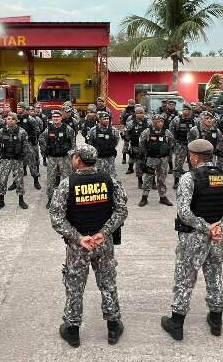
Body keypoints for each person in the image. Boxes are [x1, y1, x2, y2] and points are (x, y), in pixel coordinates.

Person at [161, 139, 223, 340]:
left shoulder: (189, 178)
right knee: (215, 274)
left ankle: (177, 324)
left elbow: (184, 212)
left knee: (185, 277)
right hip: (217, 237)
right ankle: (216, 321)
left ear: (194, 157)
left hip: (193, 236)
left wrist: (206, 227)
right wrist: (219, 226)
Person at [49, 145, 128, 348]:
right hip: (103, 243)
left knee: (75, 287)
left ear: (78, 160)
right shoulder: (110, 180)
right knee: (108, 283)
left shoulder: (67, 184)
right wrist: (104, 232)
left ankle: (73, 331)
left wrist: (78, 238)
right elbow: (121, 211)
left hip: (78, 246)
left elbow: (56, 218)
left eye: (74, 157)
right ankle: (113, 327)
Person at [40, 110, 76, 209]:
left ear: (61, 118)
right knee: (50, 179)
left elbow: (73, 143)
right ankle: (50, 199)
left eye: (58, 117)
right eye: (54, 117)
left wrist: (71, 156)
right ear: (52, 118)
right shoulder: (48, 129)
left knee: (66, 179)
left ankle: (67, 199)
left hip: (64, 158)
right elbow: (41, 139)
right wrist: (45, 152)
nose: (55, 118)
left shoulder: (67, 129)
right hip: (52, 158)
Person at [0, 113, 29, 210]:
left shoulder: (22, 132)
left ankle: (21, 200)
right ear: (6, 120)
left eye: (13, 119)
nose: (10, 120)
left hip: (17, 160)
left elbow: (26, 146)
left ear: (16, 120)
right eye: (8, 119)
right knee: (2, 180)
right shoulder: (1, 131)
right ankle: (1, 201)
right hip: (5, 159)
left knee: (19, 180)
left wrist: (23, 157)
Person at [138, 113, 174, 207]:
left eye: (162, 121)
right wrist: (146, 153)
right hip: (151, 158)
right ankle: (144, 197)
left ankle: (162, 197)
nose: (160, 123)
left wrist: (165, 152)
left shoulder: (167, 132)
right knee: (148, 177)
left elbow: (171, 143)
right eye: (158, 121)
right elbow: (141, 143)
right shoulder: (147, 132)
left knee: (162, 178)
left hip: (163, 159)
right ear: (153, 122)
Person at [169, 103, 196, 189]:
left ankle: (192, 181)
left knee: (193, 164)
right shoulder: (176, 119)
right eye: (184, 109)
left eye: (187, 109)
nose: (185, 111)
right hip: (180, 144)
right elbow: (171, 130)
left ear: (190, 111)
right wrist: (173, 143)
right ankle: (176, 181)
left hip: (191, 145)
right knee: (178, 164)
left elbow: (198, 131)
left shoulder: (194, 120)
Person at [87, 111, 120, 178]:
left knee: (111, 175)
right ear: (99, 119)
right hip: (99, 157)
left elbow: (116, 141)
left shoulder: (113, 130)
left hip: (110, 156)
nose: (106, 120)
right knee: (98, 174)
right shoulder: (93, 130)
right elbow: (90, 142)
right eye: (104, 119)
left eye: (107, 119)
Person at [17, 104, 42, 190]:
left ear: (24, 109)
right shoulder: (16, 118)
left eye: (20, 107)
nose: (18, 109)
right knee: (17, 163)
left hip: (28, 143)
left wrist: (34, 140)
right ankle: (15, 182)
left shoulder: (31, 119)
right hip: (18, 143)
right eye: (17, 107)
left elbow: (37, 130)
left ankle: (36, 180)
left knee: (32, 162)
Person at [125, 105, 150, 187]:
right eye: (138, 113)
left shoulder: (149, 122)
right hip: (136, 147)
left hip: (148, 148)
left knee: (150, 165)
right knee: (138, 165)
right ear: (135, 114)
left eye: (141, 113)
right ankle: (140, 180)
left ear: (144, 113)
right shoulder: (130, 123)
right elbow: (126, 135)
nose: (140, 115)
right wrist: (126, 147)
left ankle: (152, 181)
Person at [163, 100, 179, 174]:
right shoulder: (164, 114)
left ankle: (178, 167)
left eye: (173, 105)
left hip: (176, 135)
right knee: (169, 151)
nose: (171, 106)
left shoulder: (178, 114)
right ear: (167, 105)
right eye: (170, 105)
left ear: (175, 106)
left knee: (178, 152)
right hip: (167, 135)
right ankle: (171, 167)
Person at [119, 99, 136, 164]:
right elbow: (121, 120)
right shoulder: (125, 111)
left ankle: (132, 158)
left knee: (133, 144)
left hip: (134, 129)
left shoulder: (136, 110)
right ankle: (124, 158)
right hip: (127, 129)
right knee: (126, 143)